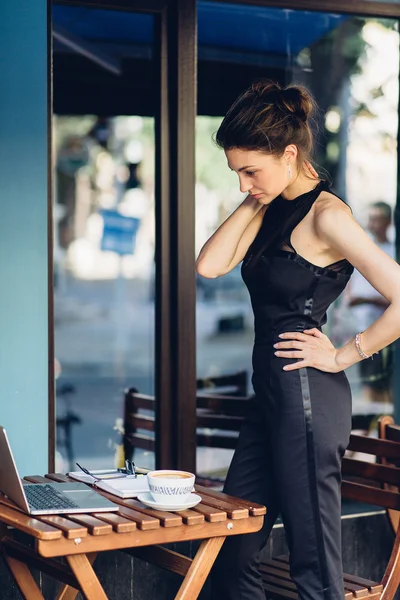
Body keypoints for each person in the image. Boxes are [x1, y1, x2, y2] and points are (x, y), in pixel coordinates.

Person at [196, 79, 400, 600]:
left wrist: (343, 355)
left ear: (290, 154)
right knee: (232, 548)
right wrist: (259, 194)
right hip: (269, 399)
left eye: (250, 170)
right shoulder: (269, 205)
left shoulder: (329, 216)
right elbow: (210, 264)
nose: (243, 183)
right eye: (236, 172)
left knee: (314, 569)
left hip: (308, 399)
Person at [347, 202, 394, 404]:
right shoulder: (361, 251)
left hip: (387, 328)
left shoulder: (392, 250)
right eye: (370, 219)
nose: (372, 224)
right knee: (368, 384)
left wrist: (369, 300)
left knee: (385, 384)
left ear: (388, 221)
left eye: (376, 218)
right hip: (361, 327)